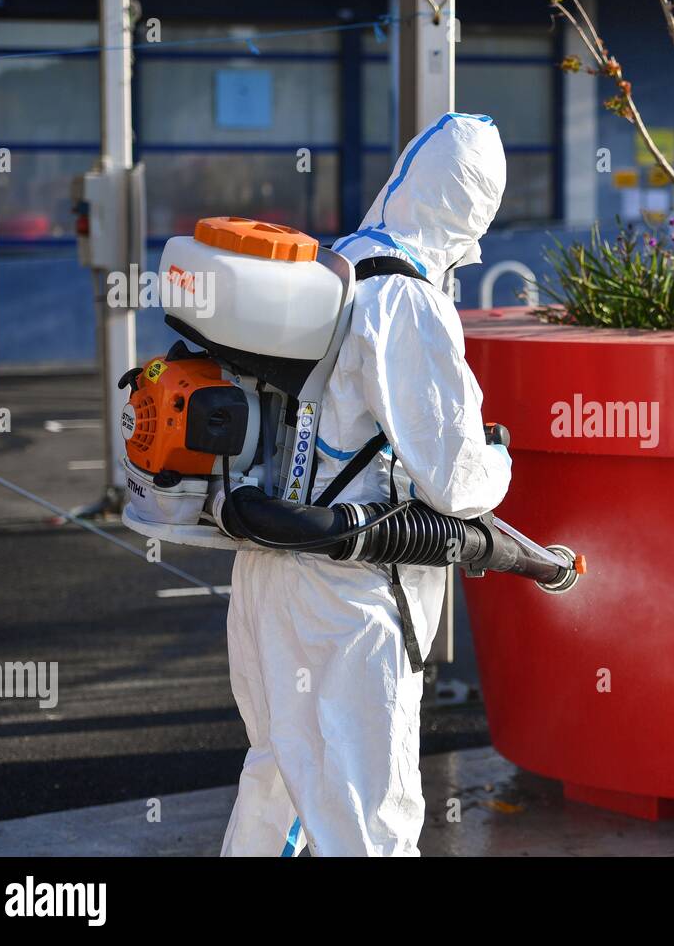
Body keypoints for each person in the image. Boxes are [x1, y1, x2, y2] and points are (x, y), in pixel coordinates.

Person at [221, 112, 512, 857]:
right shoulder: (407, 300)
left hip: (267, 565)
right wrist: (500, 460)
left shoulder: (333, 269)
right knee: (368, 819)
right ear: (469, 208)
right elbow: (456, 483)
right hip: (345, 594)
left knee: (278, 784)